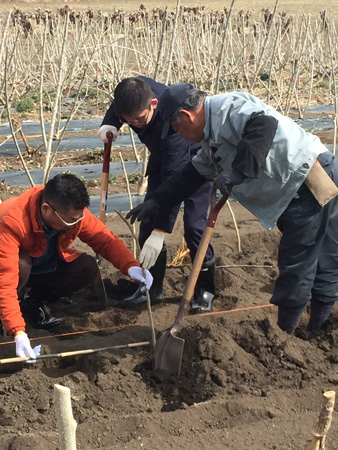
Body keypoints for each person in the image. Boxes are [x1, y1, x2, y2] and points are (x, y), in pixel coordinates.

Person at [127, 82, 338, 335]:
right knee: (322, 259)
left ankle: (285, 338)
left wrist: (240, 170)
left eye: (176, 128)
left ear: (186, 116)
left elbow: (263, 124)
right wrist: (157, 201)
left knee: (301, 264)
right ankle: (316, 331)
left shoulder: (228, 108)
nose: (179, 134)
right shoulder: (210, 139)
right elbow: (193, 173)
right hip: (297, 187)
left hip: (311, 182)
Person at [0, 173, 153, 359]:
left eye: (79, 217)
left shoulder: (73, 214)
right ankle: (5, 317)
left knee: (86, 267)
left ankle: (33, 301)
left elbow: (104, 240)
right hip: (10, 268)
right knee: (20, 264)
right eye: (71, 220)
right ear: (46, 209)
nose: (77, 221)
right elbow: (5, 282)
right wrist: (18, 331)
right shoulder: (11, 220)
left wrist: (131, 267)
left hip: (42, 261)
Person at [97, 76, 216, 313]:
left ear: (153, 104)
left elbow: (174, 182)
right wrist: (110, 123)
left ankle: (205, 289)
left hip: (196, 162)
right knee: (147, 218)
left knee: (194, 227)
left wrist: (161, 232)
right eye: (128, 121)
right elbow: (118, 105)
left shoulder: (172, 122)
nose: (135, 125)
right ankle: (152, 287)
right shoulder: (133, 94)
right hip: (160, 156)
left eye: (139, 120)